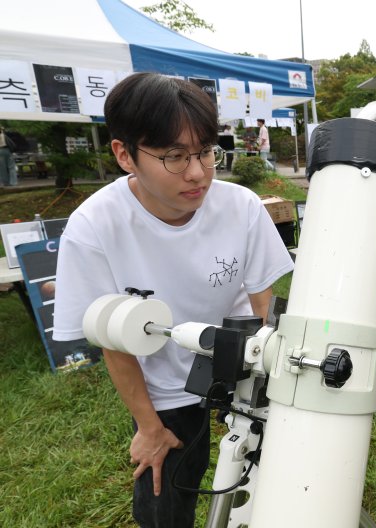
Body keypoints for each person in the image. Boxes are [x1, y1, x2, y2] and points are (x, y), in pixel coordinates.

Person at [52, 73, 294, 528]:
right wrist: (149, 428)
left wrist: (273, 389)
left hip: (239, 357)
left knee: (274, 479)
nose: (198, 172)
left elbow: (265, 305)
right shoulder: (94, 228)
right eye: (175, 156)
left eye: (205, 151)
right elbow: (115, 339)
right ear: (125, 155)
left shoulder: (240, 207)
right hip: (163, 386)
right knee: (165, 501)